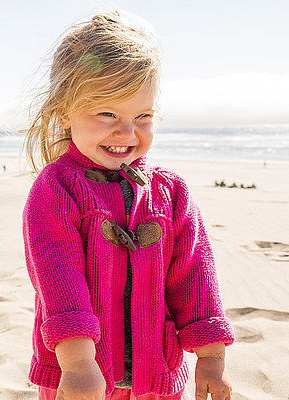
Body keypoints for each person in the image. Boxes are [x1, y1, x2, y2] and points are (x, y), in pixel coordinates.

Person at [22, 10, 235, 400]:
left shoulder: (171, 192)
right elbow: (59, 285)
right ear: (64, 111)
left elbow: (195, 277)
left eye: (143, 116)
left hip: (156, 376)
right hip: (81, 378)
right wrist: (79, 365)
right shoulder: (56, 189)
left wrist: (211, 358)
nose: (127, 132)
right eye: (107, 113)